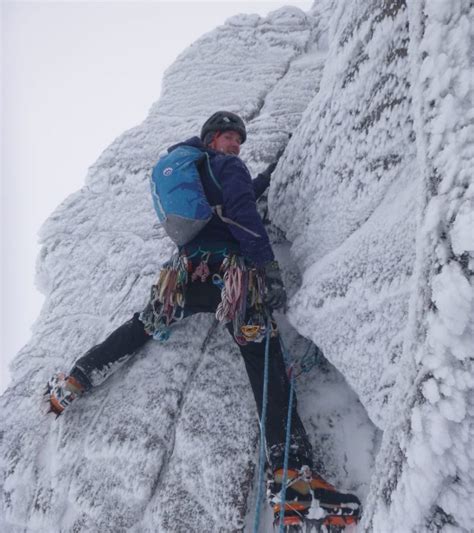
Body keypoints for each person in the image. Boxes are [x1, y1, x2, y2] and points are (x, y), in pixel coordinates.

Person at [46, 111, 360, 528]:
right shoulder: (226, 165)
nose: (235, 146)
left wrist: (268, 175)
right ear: (212, 140)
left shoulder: (199, 171)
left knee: (142, 324)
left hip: (183, 276)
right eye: (230, 138)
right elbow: (243, 212)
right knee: (263, 356)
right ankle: (291, 477)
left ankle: (77, 378)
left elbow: (239, 195)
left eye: (238, 142)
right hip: (230, 276)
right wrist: (267, 269)